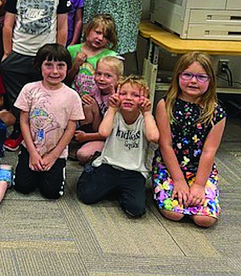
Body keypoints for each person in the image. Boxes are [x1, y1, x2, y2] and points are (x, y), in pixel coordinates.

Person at [0, 0, 71, 152]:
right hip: (20, 51)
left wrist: (59, 54)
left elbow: (62, 27)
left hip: (45, 55)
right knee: (9, 75)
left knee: (44, 91)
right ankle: (20, 126)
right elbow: (8, 25)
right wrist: (6, 52)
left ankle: (40, 128)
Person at [153, 52, 226, 227]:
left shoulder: (216, 112)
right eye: (187, 75)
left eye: (201, 77)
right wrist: (178, 180)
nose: (193, 81)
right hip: (170, 166)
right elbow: (165, 145)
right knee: (174, 213)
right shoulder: (165, 105)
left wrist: (200, 185)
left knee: (204, 219)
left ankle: (199, 189)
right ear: (177, 76)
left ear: (210, 81)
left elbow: (209, 151)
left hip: (199, 168)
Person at [77, 76, 159, 217]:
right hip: (110, 166)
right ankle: (91, 169)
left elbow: (153, 137)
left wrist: (147, 113)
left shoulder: (145, 119)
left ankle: (118, 190)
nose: (128, 98)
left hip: (134, 171)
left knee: (136, 209)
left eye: (135, 95)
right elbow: (103, 132)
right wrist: (112, 109)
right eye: (123, 94)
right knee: (87, 196)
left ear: (145, 98)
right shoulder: (115, 114)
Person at [13, 44, 83, 199]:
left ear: (67, 67)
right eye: (49, 65)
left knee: (51, 193)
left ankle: (51, 171)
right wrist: (32, 152)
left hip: (56, 152)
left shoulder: (72, 96)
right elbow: (23, 122)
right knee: (22, 187)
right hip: (31, 148)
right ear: (40, 66)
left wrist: (53, 156)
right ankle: (27, 163)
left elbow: (71, 129)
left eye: (60, 66)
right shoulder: (29, 89)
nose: (55, 71)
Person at [73, 55, 124, 164]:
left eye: (108, 76)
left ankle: (103, 153)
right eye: (98, 74)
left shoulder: (118, 98)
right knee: (88, 104)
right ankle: (85, 141)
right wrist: (83, 98)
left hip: (112, 137)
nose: (101, 79)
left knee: (82, 155)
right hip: (98, 130)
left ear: (119, 79)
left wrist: (86, 137)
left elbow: (110, 132)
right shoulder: (96, 88)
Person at [66, 14, 118, 97]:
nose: (100, 38)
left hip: (97, 101)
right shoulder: (72, 50)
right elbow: (64, 80)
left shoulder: (110, 56)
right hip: (72, 97)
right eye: (98, 32)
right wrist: (75, 66)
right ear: (88, 30)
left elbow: (114, 85)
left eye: (105, 36)